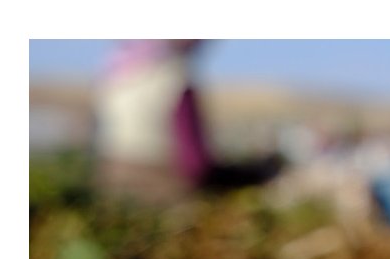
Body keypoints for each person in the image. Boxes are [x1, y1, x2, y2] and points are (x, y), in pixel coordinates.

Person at [94, 40, 280, 203]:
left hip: (111, 189)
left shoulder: (119, 73)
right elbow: (196, 165)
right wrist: (250, 175)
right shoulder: (175, 78)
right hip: (162, 197)